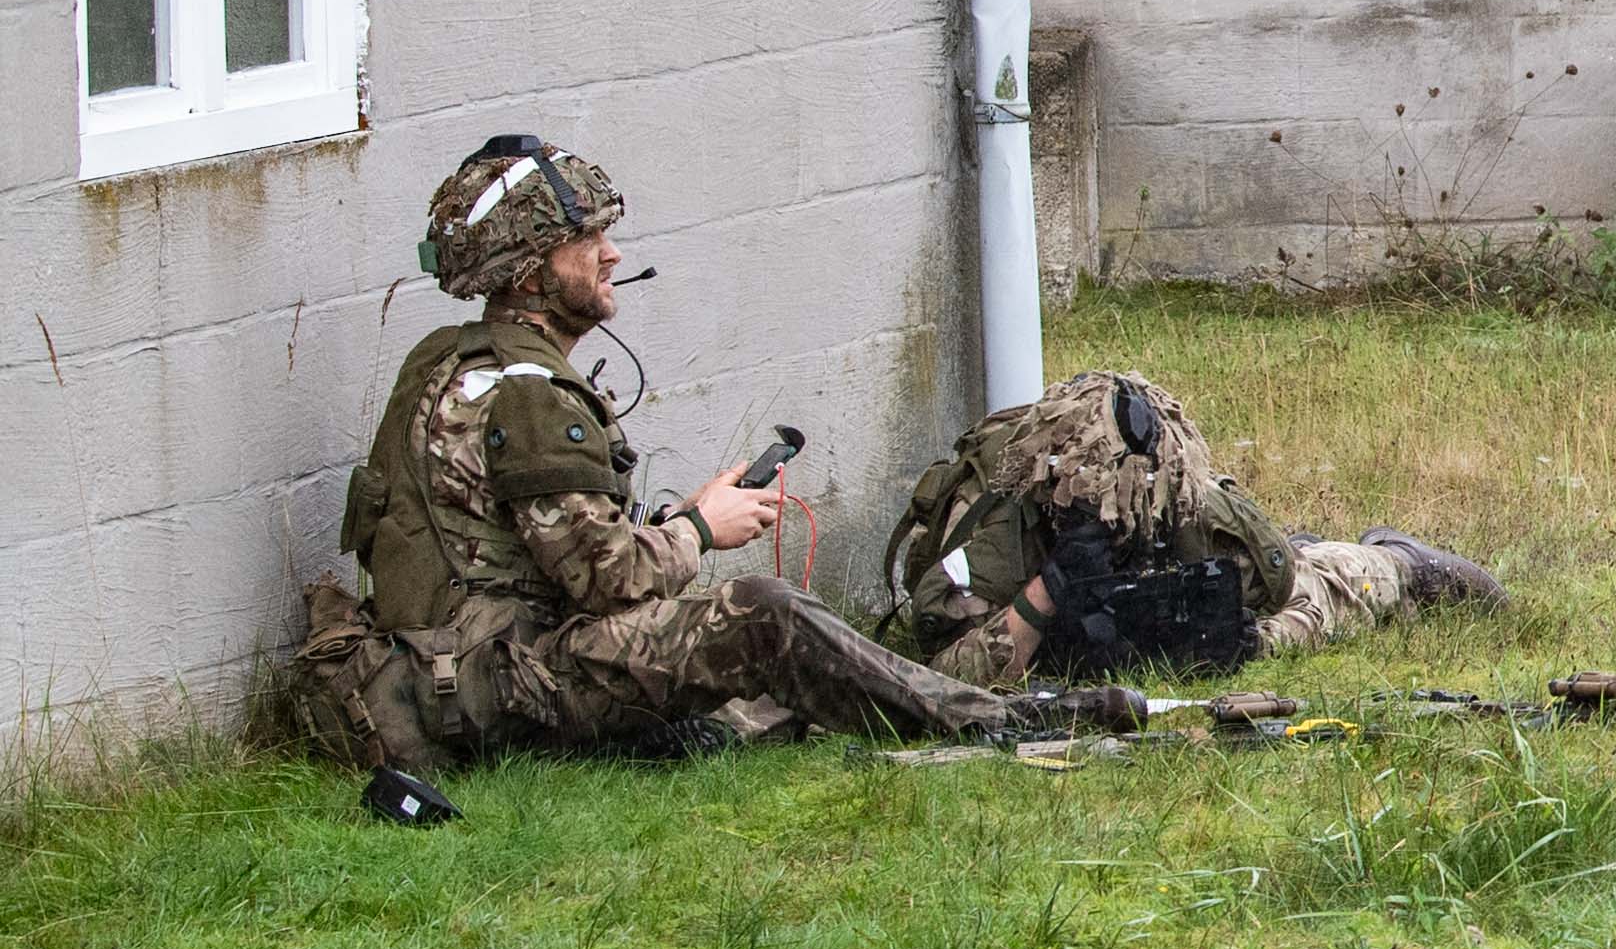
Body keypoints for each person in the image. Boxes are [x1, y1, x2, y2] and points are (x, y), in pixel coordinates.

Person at [290, 135, 1142, 780]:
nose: (611, 253)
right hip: (493, 686)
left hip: (454, 669)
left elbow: (517, 558)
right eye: (584, 239)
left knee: (764, 669)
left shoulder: (447, 362)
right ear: (529, 272)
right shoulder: (530, 396)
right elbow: (603, 583)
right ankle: (993, 723)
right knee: (762, 614)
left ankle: (904, 705)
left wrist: (673, 526)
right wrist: (701, 529)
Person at [870, 370, 1503, 687]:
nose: (1123, 517)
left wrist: (1244, 643)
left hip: (1289, 577)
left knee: (1332, 587)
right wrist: (1048, 588)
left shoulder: (1180, 499)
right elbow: (940, 682)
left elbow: (1287, 596)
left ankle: (1398, 556)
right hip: (1044, 612)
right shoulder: (994, 527)